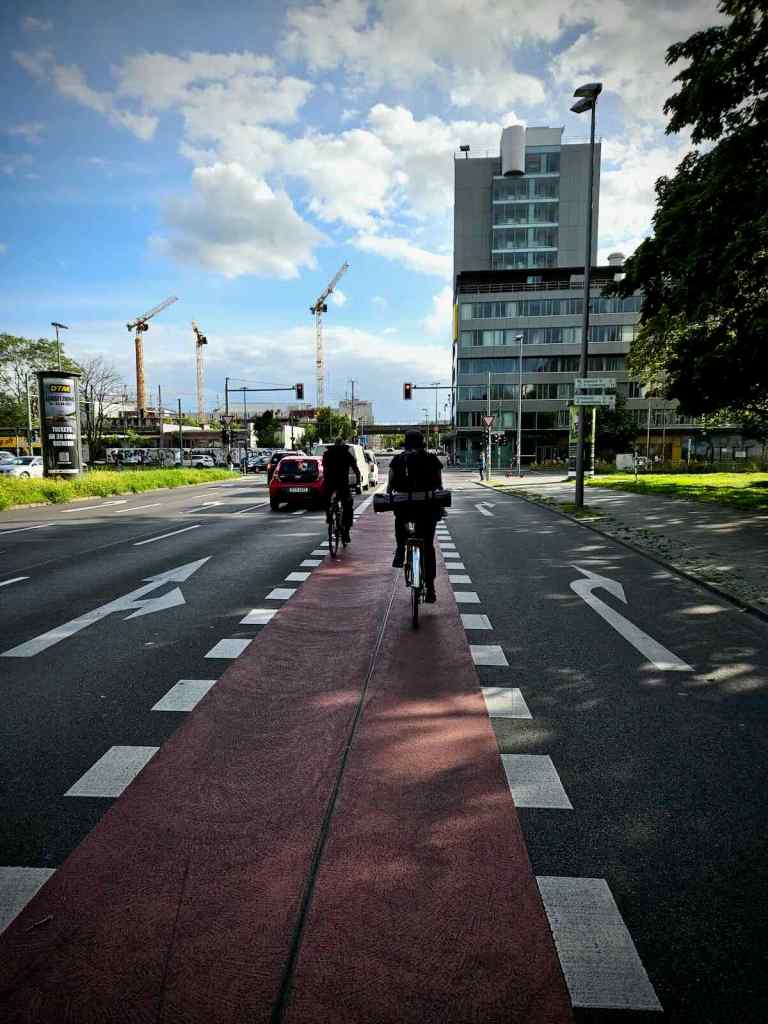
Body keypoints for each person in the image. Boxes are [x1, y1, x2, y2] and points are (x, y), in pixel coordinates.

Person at [389, 430, 443, 603]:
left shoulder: (398, 460)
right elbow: (439, 486)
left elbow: (390, 485)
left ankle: (400, 549)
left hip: (405, 510)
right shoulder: (432, 459)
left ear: (406, 443)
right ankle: (431, 589)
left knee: (402, 525)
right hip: (427, 511)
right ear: (422, 443)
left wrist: (390, 494)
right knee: (428, 545)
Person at [322, 437, 360, 544]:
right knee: (348, 507)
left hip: (329, 483)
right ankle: (346, 532)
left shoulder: (327, 453)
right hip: (342, 484)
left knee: (327, 499)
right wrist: (357, 483)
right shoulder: (346, 454)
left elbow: (324, 468)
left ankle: (329, 515)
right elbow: (356, 470)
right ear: (343, 445)